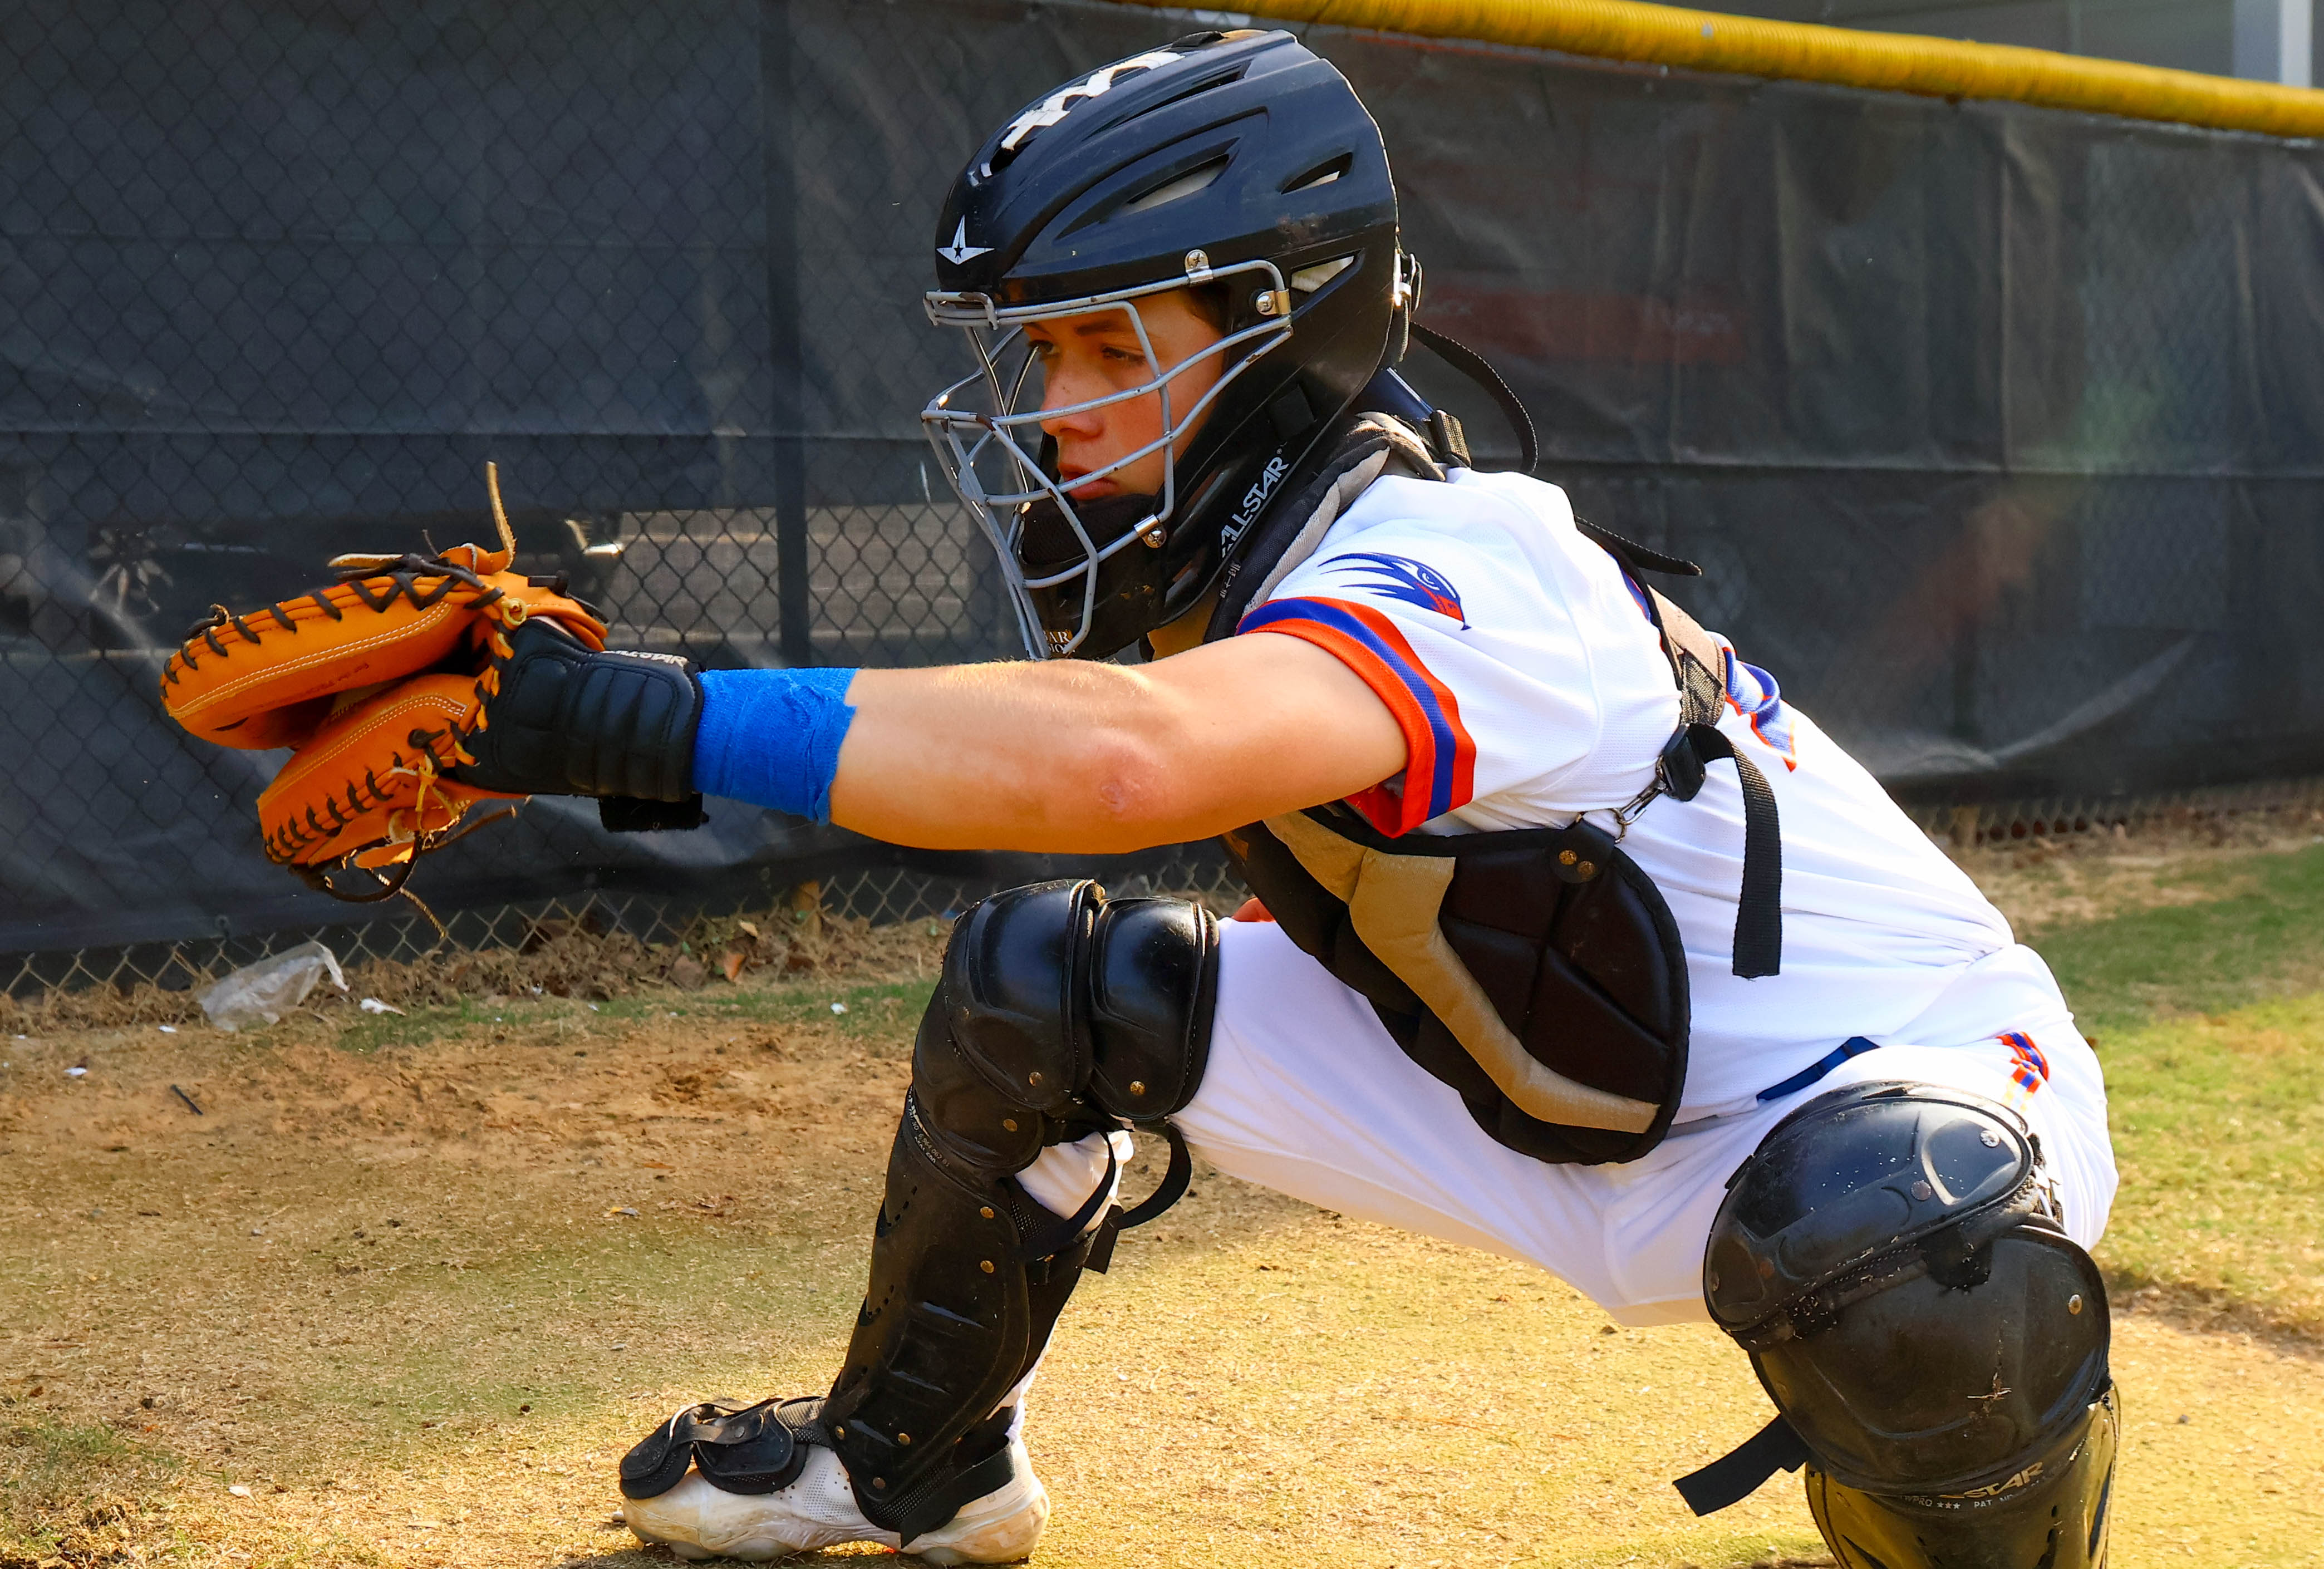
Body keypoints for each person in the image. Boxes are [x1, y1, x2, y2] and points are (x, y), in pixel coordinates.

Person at [453, 30, 2121, 1568]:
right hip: (1560, 1068)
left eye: (1110, 345)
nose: (1054, 407)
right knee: (1045, 988)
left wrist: (636, 722)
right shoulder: (1270, 563)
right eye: (1041, 354)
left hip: (1898, 1099)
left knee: (1897, 1226)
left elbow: (1124, 760)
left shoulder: (1468, 563)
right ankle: (916, 1461)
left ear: (1280, 335)